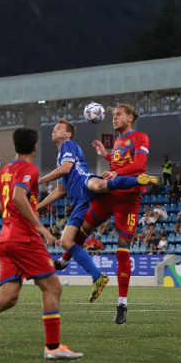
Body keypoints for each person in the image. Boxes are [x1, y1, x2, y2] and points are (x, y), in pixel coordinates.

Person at [0, 128, 82, 360]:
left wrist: (11, 215)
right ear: (34, 147)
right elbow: (19, 197)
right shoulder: (29, 169)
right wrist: (40, 227)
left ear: (15, 147)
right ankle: (53, 348)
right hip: (24, 238)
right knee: (53, 288)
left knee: (9, 296)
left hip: (6, 239)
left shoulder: (5, 171)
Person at [37, 118, 156, 304]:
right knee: (66, 241)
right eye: (53, 128)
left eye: (58, 128)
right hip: (79, 201)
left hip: (85, 183)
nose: (54, 130)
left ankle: (138, 180)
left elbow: (67, 169)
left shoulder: (68, 144)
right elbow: (59, 191)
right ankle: (96, 276)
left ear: (68, 134)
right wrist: (36, 207)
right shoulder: (59, 157)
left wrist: (39, 180)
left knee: (101, 185)